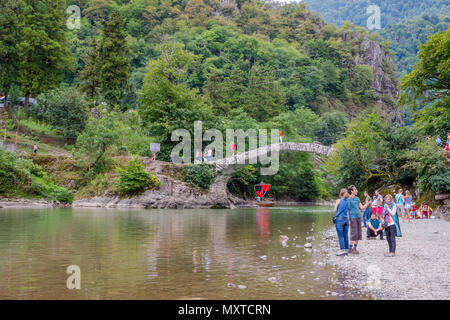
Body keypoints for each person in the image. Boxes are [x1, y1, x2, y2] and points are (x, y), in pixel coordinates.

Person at [347, 185, 369, 254]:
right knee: (353, 233)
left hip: (358, 217)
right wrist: (348, 220)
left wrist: (367, 204)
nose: (357, 190)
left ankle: (355, 248)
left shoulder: (357, 198)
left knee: (358, 233)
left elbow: (362, 208)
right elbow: (347, 211)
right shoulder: (348, 199)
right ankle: (350, 248)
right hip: (352, 217)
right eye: (355, 189)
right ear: (351, 191)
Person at [334, 188, 350, 256]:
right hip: (346, 219)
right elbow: (348, 212)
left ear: (341, 194)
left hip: (339, 219)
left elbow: (335, 210)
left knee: (340, 236)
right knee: (345, 235)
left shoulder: (338, 200)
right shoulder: (348, 201)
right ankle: (347, 250)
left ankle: (342, 251)